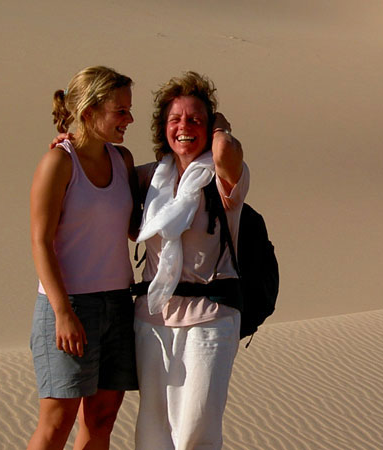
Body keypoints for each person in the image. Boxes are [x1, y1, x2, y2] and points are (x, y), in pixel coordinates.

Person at [131, 71, 248, 449]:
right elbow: (97, 175)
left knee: (196, 428)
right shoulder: (148, 179)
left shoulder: (223, 176)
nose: (184, 127)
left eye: (195, 119)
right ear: (162, 127)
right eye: (175, 119)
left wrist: (220, 131)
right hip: (152, 317)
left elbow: (227, 152)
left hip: (210, 317)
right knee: (152, 428)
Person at [27, 66, 140, 450]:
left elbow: (138, 226)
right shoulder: (58, 163)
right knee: (57, 424)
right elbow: (40, 242)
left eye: (129, 109)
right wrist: (63, 314)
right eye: (120, 111)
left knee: (101, 421)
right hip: (70, 307)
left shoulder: (122, 160)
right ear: (90, 113)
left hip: (119, 306)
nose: (129, 119)